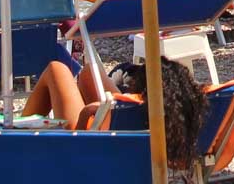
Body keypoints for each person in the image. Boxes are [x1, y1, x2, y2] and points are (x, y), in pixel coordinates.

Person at [21, 56, 206, 170]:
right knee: (89, 72)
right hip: (126, 149)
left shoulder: (134, 109)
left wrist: (88, 112)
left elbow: (76, 139)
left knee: (56, 69)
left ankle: (14, 134)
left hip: (89, 150)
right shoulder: (188, 113)